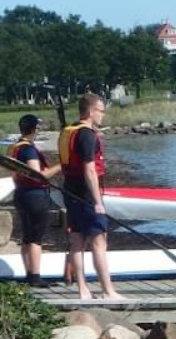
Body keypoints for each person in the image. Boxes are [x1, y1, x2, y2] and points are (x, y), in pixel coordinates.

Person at [59, 92, 121, 300]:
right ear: (91, 111)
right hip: (85, 194)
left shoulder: (67, 131)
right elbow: (89, 169)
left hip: (69, 191)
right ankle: (107, 290)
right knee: (99, 241)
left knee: (77, 240)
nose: (103, 115)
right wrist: (97, 202)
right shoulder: (86, 134)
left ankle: (83, 289)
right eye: (101, 111)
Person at [6, 115, 62, 287]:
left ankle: (29, 274)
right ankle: (36, 276)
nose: (39, 130)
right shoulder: (28, 150)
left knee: (27, 236)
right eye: (38, 127)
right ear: (34, 129)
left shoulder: (13, 148)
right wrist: (62, 166)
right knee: (36, 238)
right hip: (35, 195)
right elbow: (38, 175)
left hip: (20, 194)